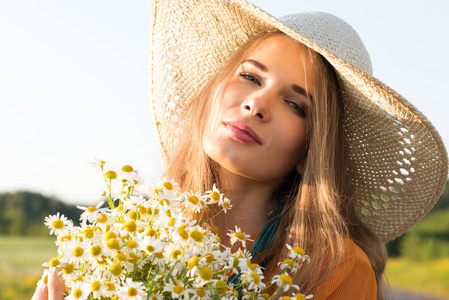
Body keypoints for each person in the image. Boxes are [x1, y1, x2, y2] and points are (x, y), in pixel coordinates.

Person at [33, 0, 448, 299]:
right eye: (250, 77)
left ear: (312, 149)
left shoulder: (336, 271)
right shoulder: (127, 241)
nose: (256, 104)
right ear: (214, 88)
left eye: (295, 104)